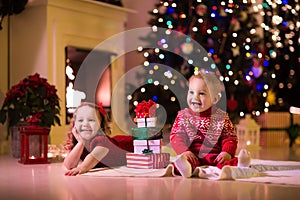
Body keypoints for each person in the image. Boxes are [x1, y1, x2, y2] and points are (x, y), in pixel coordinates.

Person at [170, 71, 238, 178]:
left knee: (230, 162)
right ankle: (186, 169)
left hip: (215, 157)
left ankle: (240, 165)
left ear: (215, 99)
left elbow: (229, 137)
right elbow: (176, 137)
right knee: (182, 162)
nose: (195, 97)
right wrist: (184, 151)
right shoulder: (184, 116)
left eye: (201, 93)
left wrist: (227, 152)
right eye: (191, 92)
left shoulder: (221, 117)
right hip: (192, 155)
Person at [63, 102, 133, 176]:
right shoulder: (81, 144)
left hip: (130, 145)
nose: (85, 124)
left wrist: (82, 167)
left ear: (100, 126)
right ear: (74, 124)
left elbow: (93, 157)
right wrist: (81, 143)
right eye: (80, 120)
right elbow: (69, 165)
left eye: (91, 120)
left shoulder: (102, 141)